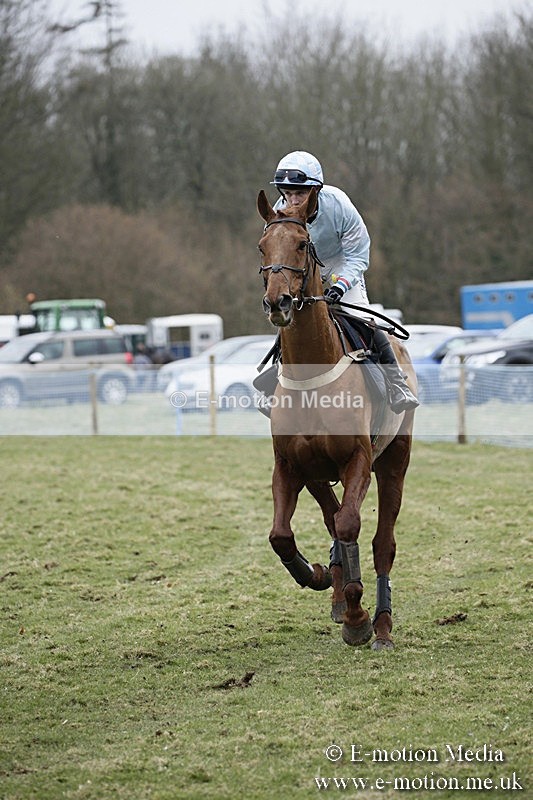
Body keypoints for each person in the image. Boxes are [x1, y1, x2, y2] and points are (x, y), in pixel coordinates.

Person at [270, 150, 418, 413]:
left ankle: (396, 383)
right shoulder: (278, 213)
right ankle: (272, 385)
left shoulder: (338, 205)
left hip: (340, 264)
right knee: (288, 322)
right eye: (287, 193)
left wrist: (341, 285)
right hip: (303, 270)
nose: (291, 201)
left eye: (300, 193)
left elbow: (359, 255)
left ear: (316, 190)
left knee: (365, 320)